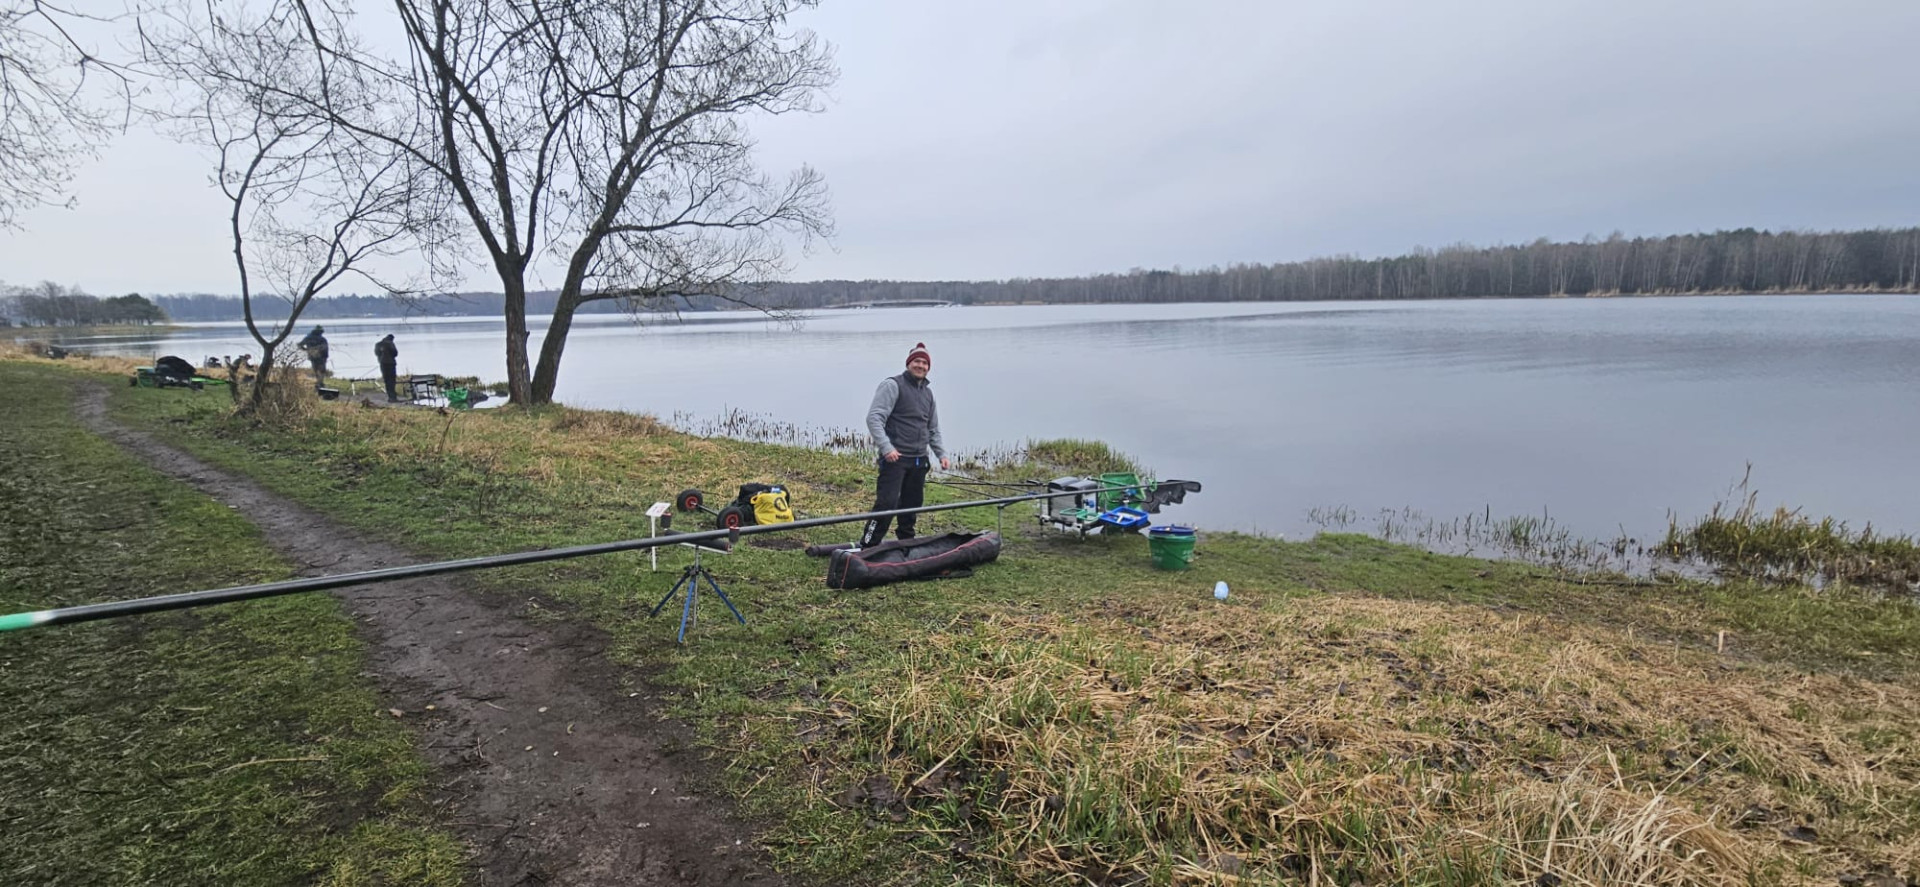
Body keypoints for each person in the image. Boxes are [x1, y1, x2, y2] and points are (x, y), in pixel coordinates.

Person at [859, 342, 949, 549]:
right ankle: (868, 545)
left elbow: (933, 428)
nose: (921, 366)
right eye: (917, 361)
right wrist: (887, 448)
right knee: (887, 504)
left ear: (929, 367)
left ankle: (907, 544)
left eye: (925, 363)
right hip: (895, 459)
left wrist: (941, 455)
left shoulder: (928, 394)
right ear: (909, 363)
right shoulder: (892, 385)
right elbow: (874, 418)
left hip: (919, 460)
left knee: (912, 505)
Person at [374, 333, 400, 402]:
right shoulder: (390, 344)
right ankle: (393, 397)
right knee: (392, 380)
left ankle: (390, 397)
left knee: (386, 380)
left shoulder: (378, 344)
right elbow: (395, 353)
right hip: (391, 364)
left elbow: (376, 353)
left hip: (383, 364)